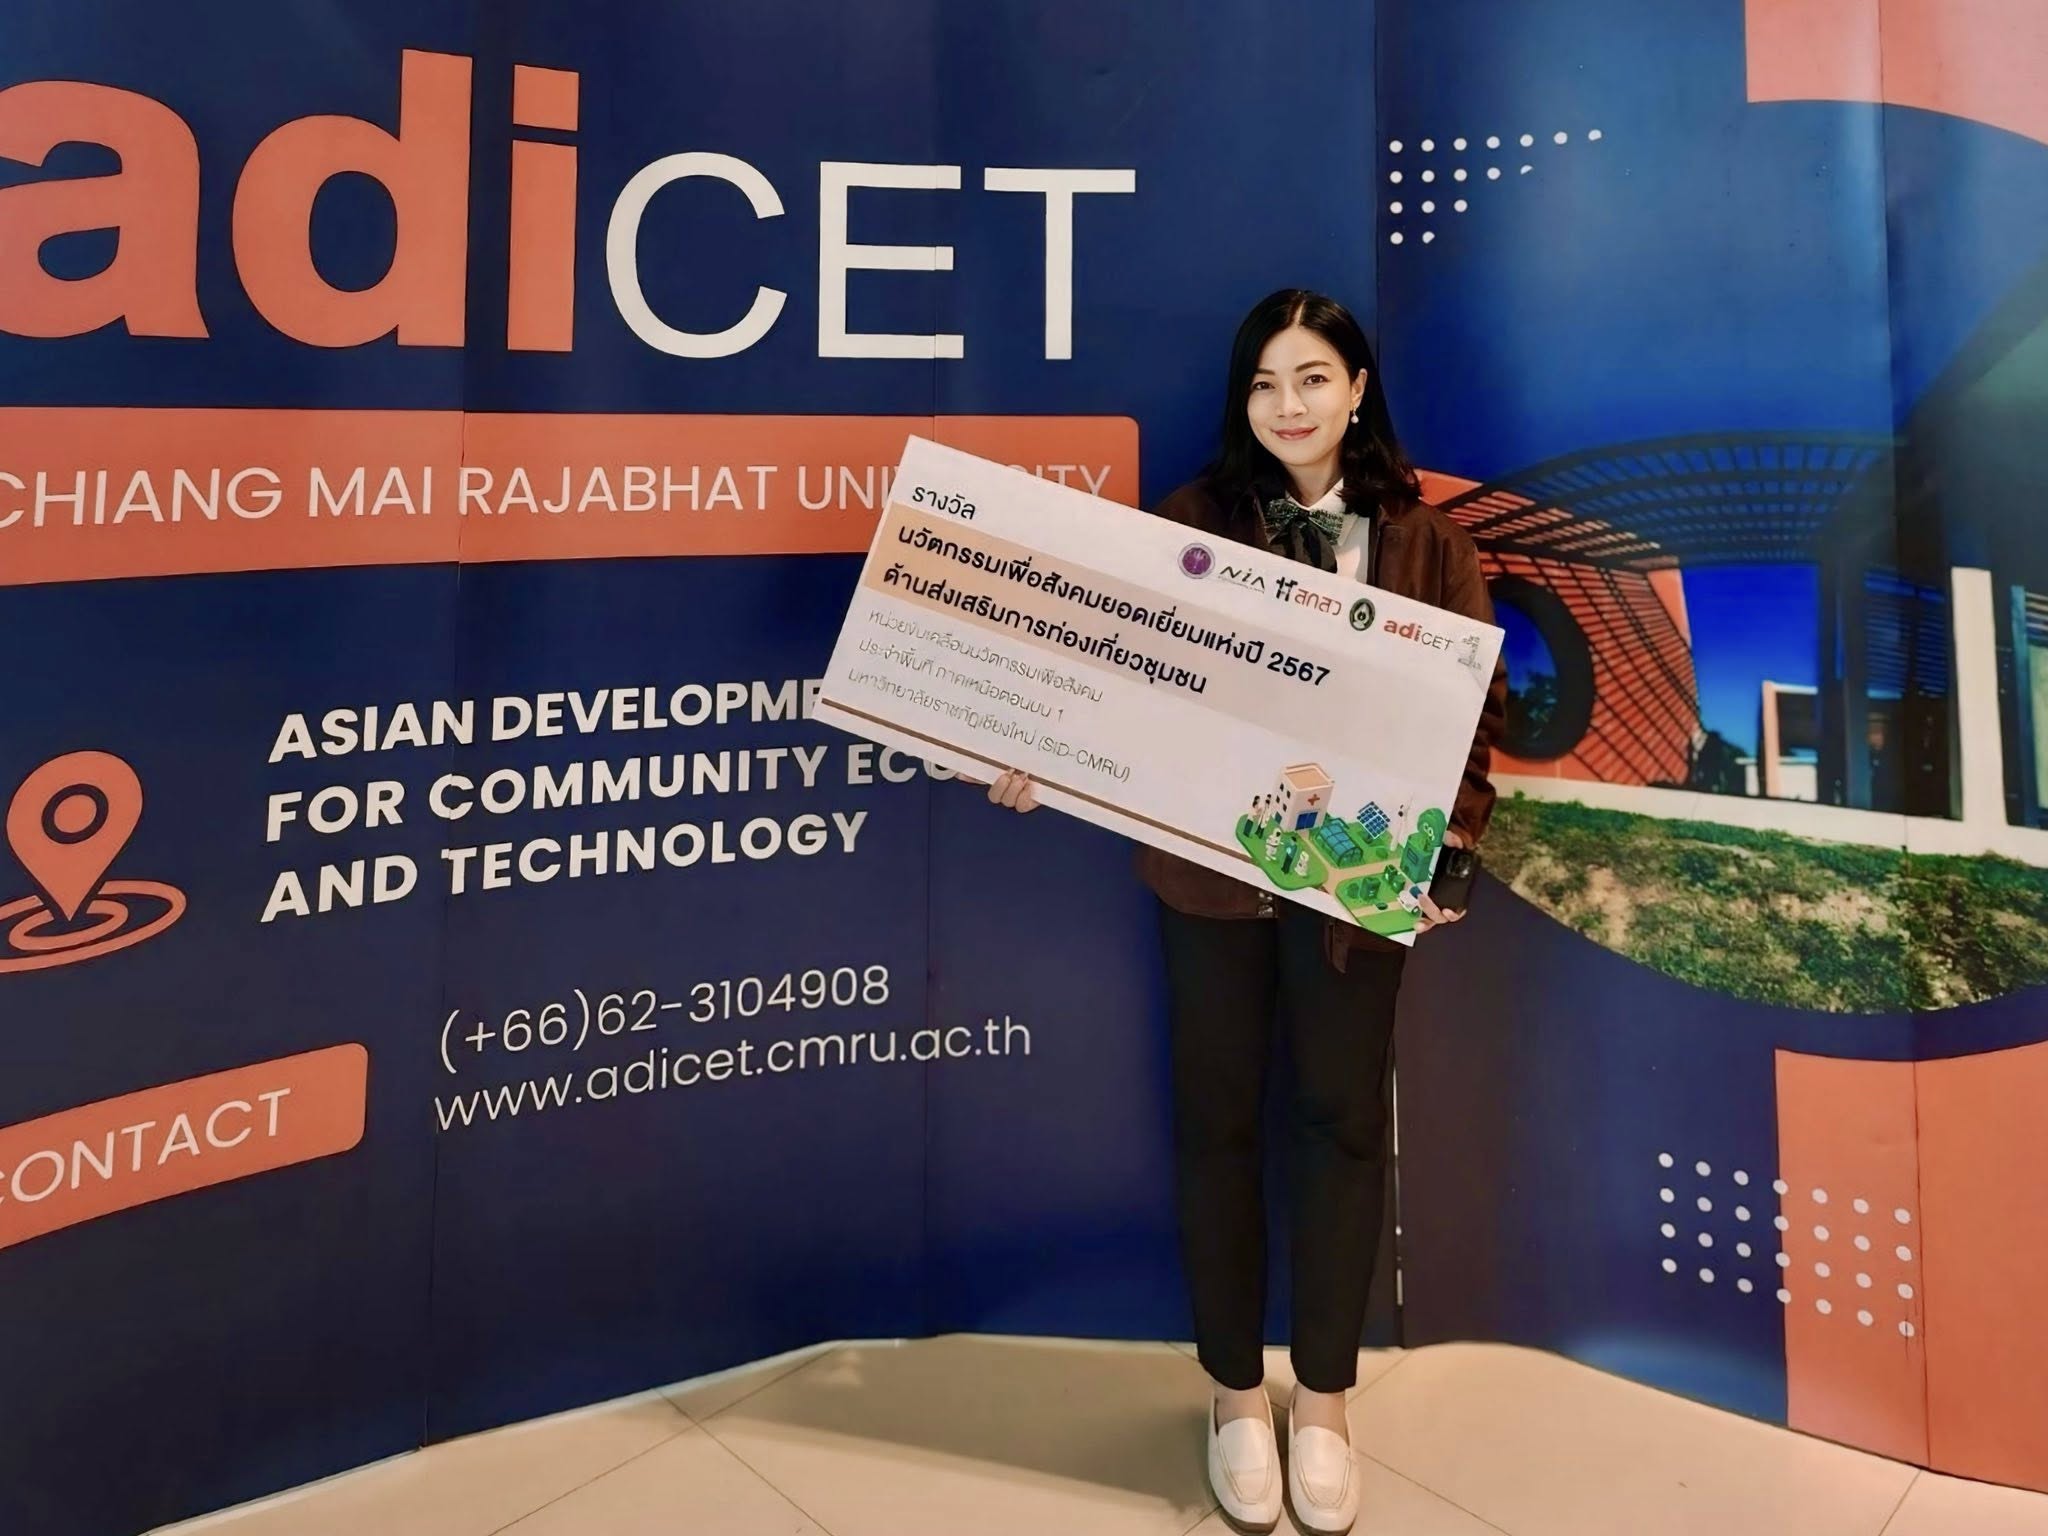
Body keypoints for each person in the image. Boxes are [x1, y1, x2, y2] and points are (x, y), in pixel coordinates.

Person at [982, 289, 1503, 1534]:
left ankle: (1321, 1400)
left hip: (1353, 895)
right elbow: (1124, 686)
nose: (1288, 405)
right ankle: (1230, 1394)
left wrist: (1448, 851)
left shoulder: (1425, 543)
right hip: (1210, 885)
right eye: (1265, 383)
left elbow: (1471, 718)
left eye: (1312, 378)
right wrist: (1036, 747)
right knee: (1216, 1127)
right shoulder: (1190, 524)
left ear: (1357, 390)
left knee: (1340, 1127)